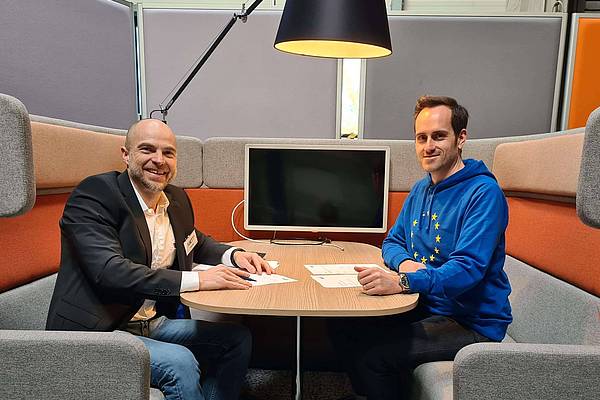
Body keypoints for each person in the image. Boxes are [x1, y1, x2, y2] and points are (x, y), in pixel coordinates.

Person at [46, 118, 273, 400]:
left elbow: (194, 241)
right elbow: (110, 271)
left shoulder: (174, 199)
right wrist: (199, 279)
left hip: (151, 323)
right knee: (180, 362)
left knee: (237, 339)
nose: (159, 160)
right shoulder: (96, 195)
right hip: (101, 331)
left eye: (168, 152)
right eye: (147, 150)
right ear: (126, 155)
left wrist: (234, 255)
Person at [329, 96, 512, 400]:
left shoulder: (484, 194)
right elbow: (392, 242)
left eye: (439, 136)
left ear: (461, 138)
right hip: (426, 304)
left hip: (470, 321)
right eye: (421, 137)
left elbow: (467, 270)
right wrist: (405, 266)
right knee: (342, 325)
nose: (428, 146)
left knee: (373, 356)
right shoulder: (420, 188)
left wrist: (403, 282)